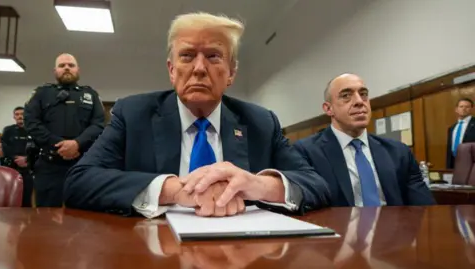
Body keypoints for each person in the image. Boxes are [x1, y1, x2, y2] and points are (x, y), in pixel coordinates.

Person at [64, 12, 330, 218]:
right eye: (187, 56)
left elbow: (316, 184)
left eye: (213, 56)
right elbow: (79, 182)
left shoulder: (261, 122)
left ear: (232, 72)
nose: (199, 68)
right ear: (171, 70)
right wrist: (175, 191)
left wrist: (257, 185)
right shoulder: (133, 114)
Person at [294, 73, 435, 207]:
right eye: (346, 96)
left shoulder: (398, 152)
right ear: (329, 109)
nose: (359, 101)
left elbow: (424, 208)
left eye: (363, 94)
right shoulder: (306, 153)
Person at [24, 53, 105, 207]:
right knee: (47, 219)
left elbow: (99, 125)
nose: (66, 68)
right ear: (55, 71)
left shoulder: (91, 95)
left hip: (82, 165)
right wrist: (60, 144)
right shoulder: (41, 94)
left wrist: (77, 143)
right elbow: (31, 123)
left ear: (78, 70)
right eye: (62, 65)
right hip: (49, 166)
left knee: (84, 218)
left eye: (71, 65)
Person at [1, 106, 33, 207]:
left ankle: (26, 221)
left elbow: (37, 148)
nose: (20, 116)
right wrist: (16, 158)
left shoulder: (33, 130)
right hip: (11, 168)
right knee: (11, 197)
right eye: (17, 114)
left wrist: (27, 160)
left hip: (28, 169)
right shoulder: (8, 130)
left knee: (26, 199)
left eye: (22, 114)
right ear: (14, 117)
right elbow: (5, 148)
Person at [446, 98, 475, 169]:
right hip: (454, 164)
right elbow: (449, 150)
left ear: (471, 109)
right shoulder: (452, 128)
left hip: (472, 165)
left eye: (467, 107)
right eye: (461, 106)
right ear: (456, 109)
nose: (464, 109)